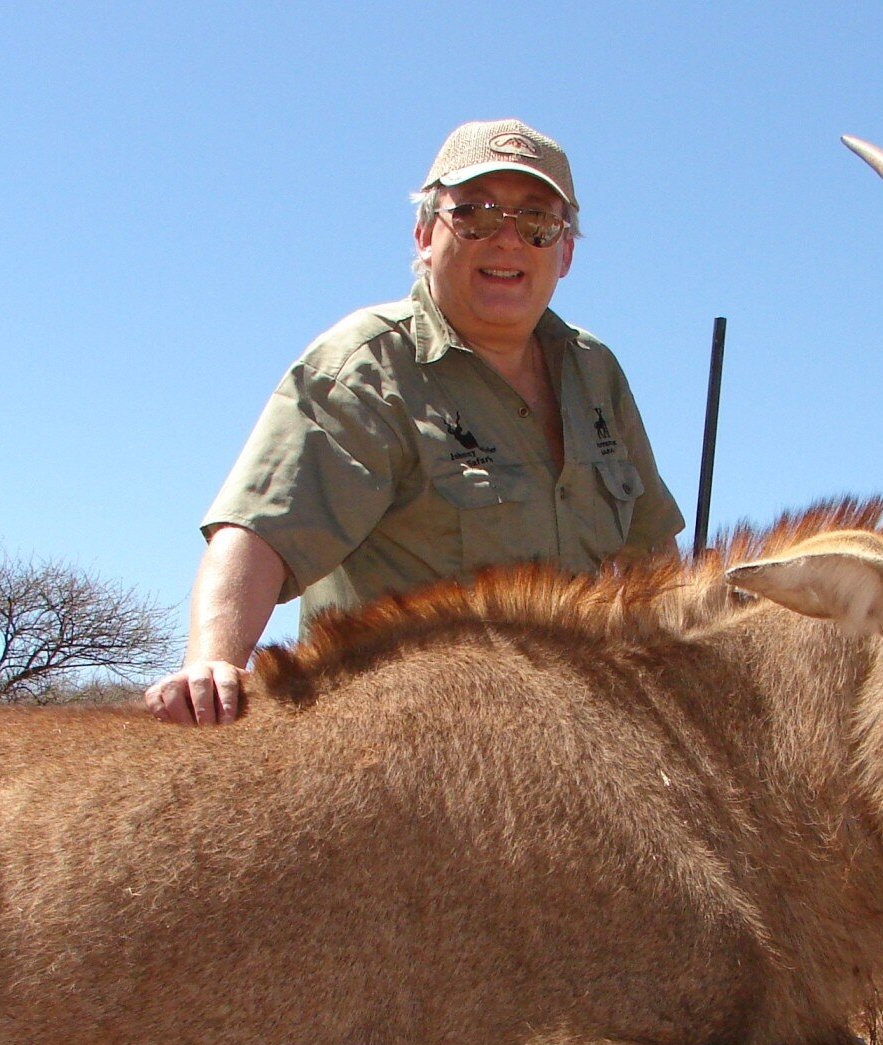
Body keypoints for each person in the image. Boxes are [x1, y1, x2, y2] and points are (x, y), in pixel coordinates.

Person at [145, 119, 683, 725]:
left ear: (565, 252)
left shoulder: (596, 371)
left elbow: (653, 553)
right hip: (401, 742)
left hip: (572, 735)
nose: (507, 241)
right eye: (476, 215)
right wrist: (212, 662)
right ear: (425, 233)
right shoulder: (365, 363)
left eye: (536, 224)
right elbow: (260, 530)